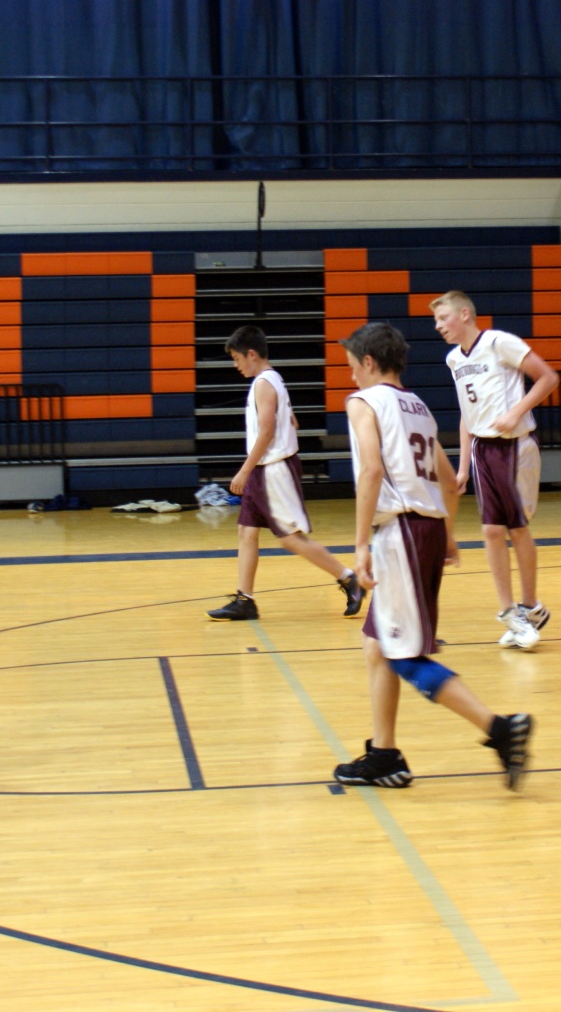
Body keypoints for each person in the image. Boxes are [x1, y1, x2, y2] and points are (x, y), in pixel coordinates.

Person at [332, 323, 533, 790]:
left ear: (368, 362)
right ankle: (385, 755)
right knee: (377, 643)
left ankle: (500, 729)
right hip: (423, 529)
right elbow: (447, 477)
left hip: (399, 533)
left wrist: (359, 545)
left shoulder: (363, 402)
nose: (351, 376)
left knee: (404, 655)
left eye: (352, 366)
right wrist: (445, 532)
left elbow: (371, 471)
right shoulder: (418, 406)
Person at [208, 325, 364, 621]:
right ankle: (245, 599)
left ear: (251, 354)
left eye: (236, 358)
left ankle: (348, 578)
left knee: (290, 539)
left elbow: (266, 432)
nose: (235, 365)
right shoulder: (273, 379)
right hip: (265, 469)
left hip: (272, 470)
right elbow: (289, 421)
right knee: (247, 531)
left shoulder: (264, 383)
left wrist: (244, 471)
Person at [431, 291, 559, 651]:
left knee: (516, 529)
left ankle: (530, 606)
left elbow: (548, 378)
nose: (438, 326)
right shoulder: (454, 359)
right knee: (490, 530)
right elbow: (466, 414)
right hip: (482, 449)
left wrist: (515, 412)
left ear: (465, 314)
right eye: (436, 321)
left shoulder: (499, 342)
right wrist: (462, 467)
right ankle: (509, 612)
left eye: (443, 318)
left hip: (515, 447)